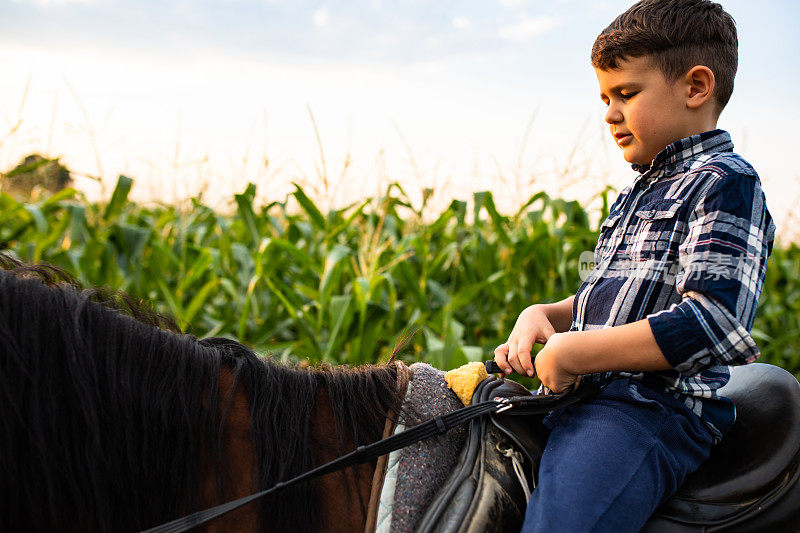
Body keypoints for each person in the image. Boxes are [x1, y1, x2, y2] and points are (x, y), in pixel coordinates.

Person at [493, 1, 776, 531]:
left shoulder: (725, 182)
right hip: (586, 393)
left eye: (626, 93)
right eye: (604, 97)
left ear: (695, 88)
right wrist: (550, 316)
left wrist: (578, 350)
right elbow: (620, 298)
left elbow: (715, 322)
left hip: (647, 409)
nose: (609, 113)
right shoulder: (635, 194)